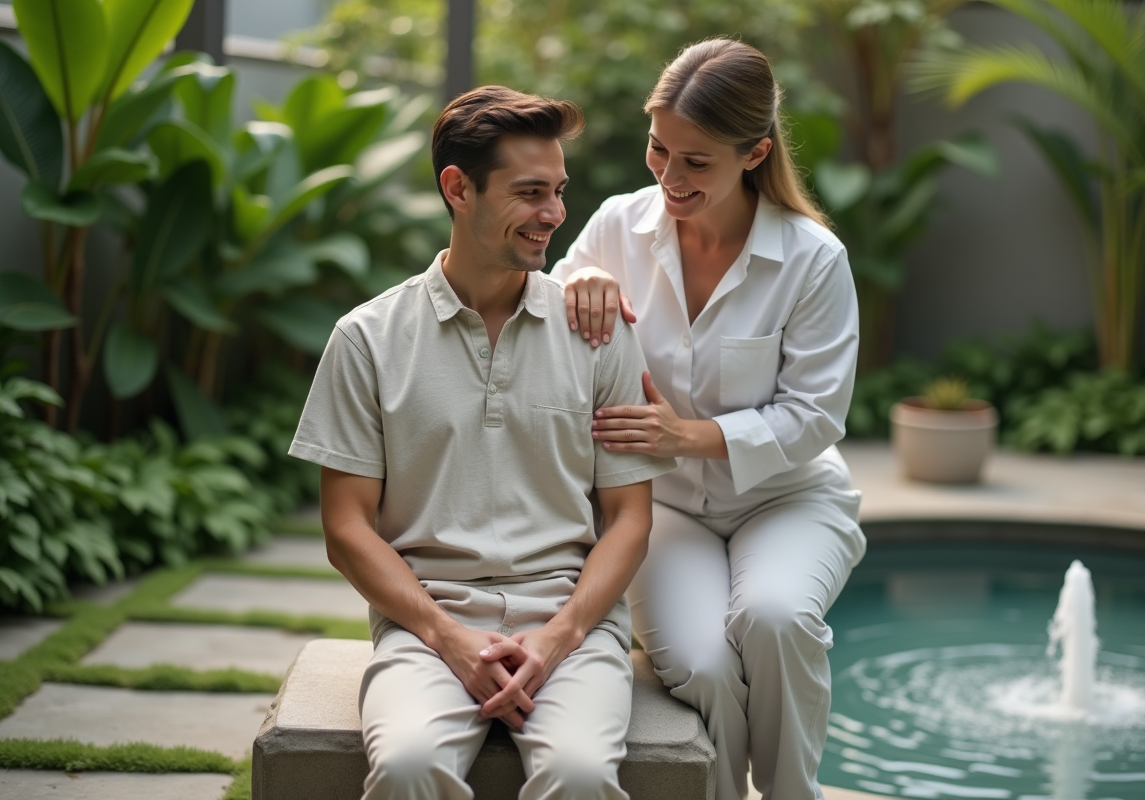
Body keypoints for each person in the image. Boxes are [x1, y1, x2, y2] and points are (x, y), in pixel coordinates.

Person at [290, 85, 676, 800]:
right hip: (425, 622)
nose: (554, 214)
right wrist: (445, 635)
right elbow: (346, 529)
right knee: (407, 765)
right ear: (457, 188)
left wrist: (560, 636)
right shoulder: (367, 340)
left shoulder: (599, 331)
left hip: (573, 623)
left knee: (582, 775)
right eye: (531, 192)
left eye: (559, 191)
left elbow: (629, 518)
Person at [548, 39, 867, 800]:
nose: (669, 177)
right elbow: (549, 327)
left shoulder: (812, 259)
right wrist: (577, 283)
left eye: (697, 162)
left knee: (776, 619)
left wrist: (684, 435)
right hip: (664, 510)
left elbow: (816, 413)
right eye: (659, 150)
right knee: (708, 668)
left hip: (787, 495)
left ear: (754, 154)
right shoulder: (618, 227)